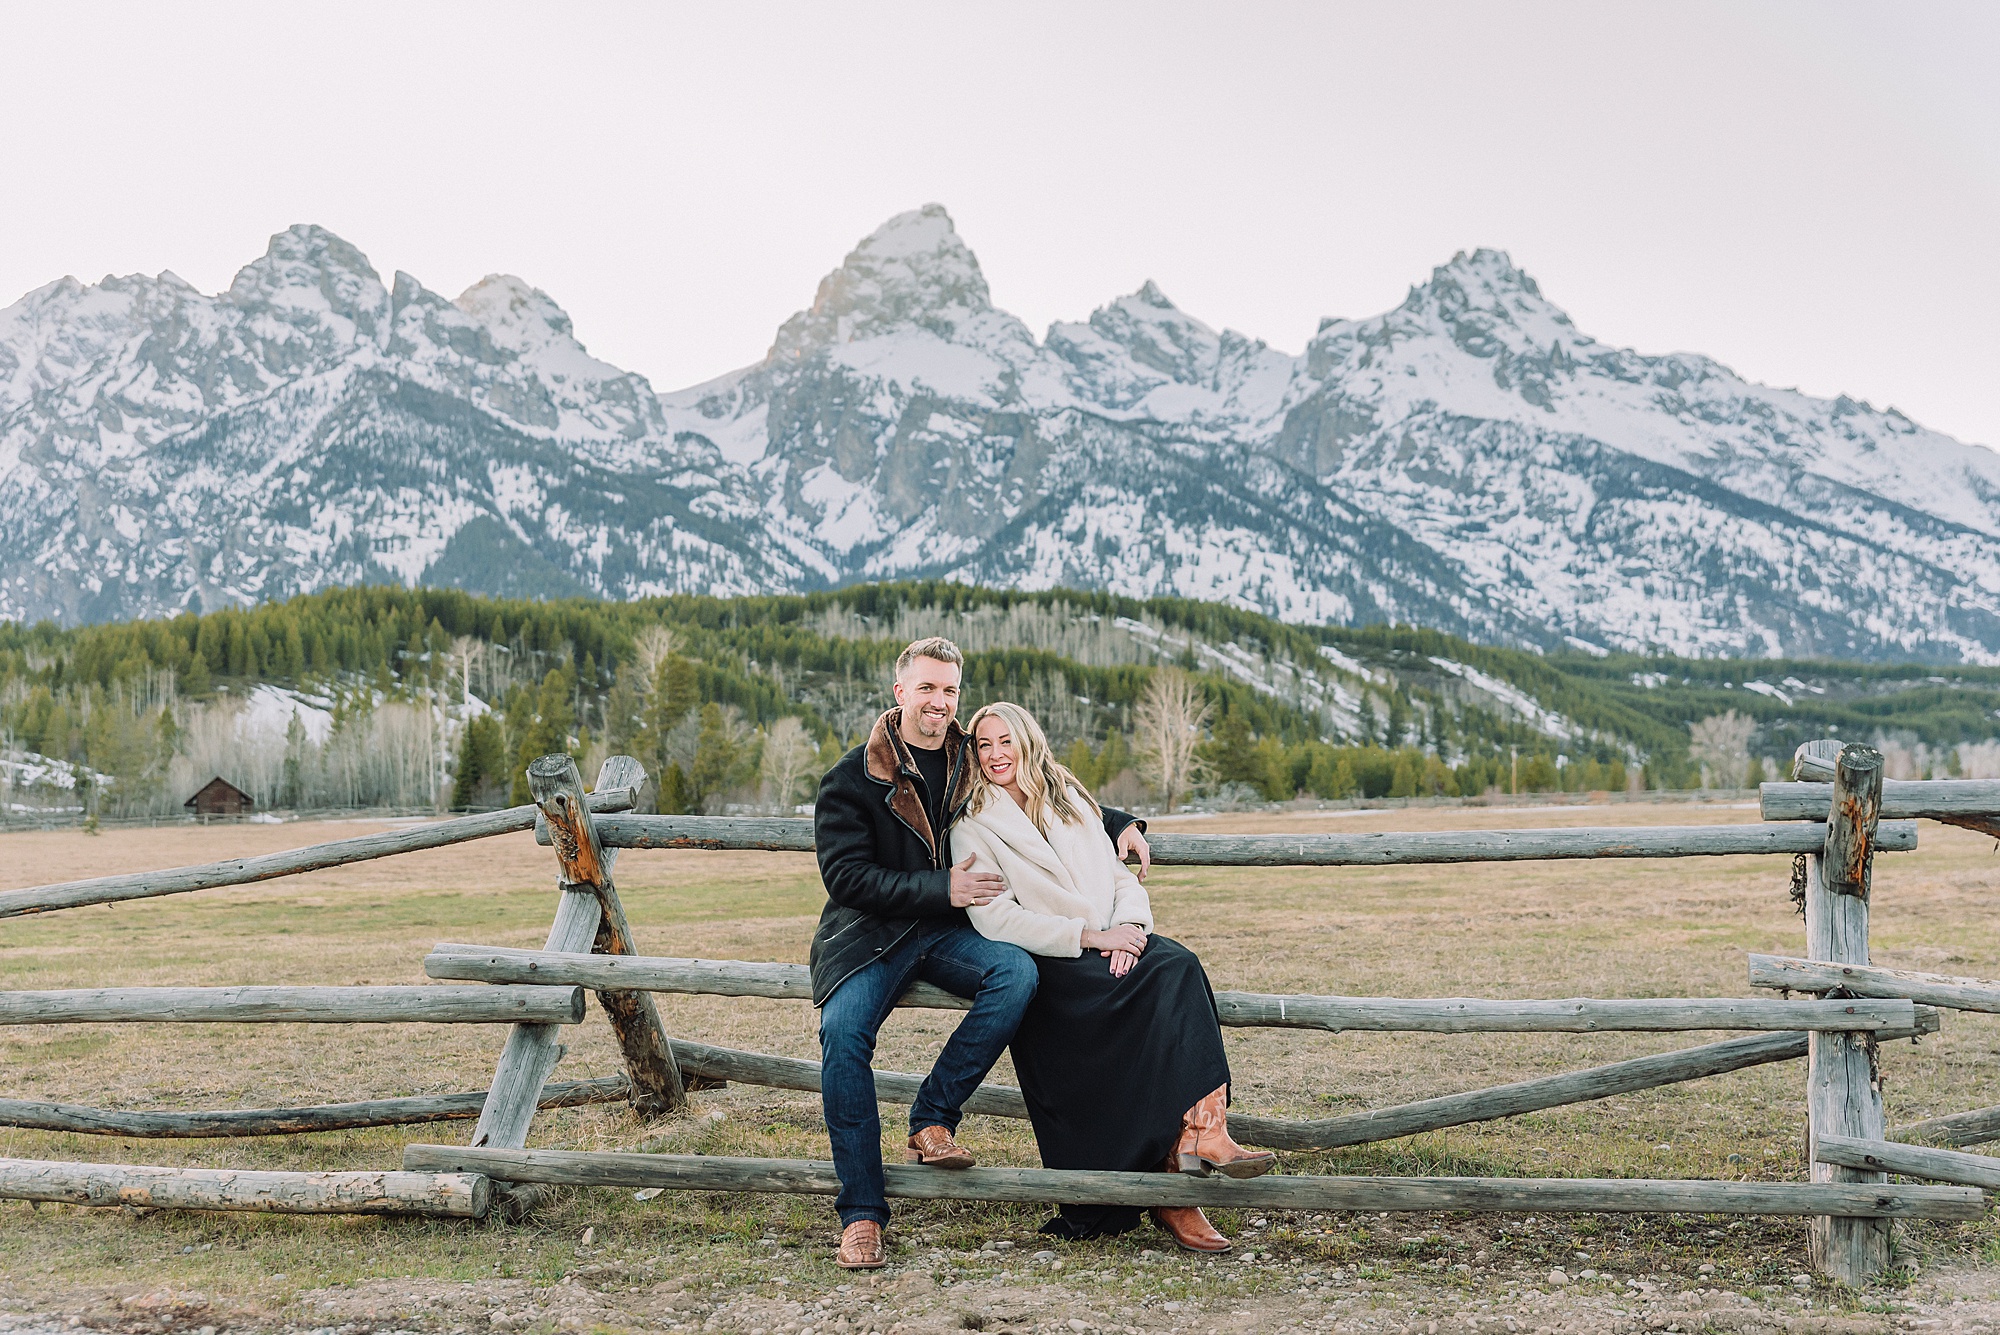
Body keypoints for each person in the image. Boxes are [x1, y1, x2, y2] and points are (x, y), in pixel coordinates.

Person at [811, 637, 1154, 1270]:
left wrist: (1117, 821)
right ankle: (861, 1213)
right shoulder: (853, 777)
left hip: (947, 931)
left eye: (948, 691)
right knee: (843, 1034)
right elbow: (847, 879)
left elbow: (1032, 779)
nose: (938, 703)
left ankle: (932, 1117)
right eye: (926, 689)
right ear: (899, 693)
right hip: (871, 935)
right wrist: (942, 886)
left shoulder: (970, 754)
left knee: (1016, 973)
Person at [948, 700, 1275, 1253]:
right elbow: (995, 917)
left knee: (1176, 964)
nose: (996, 754)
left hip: (1114, 938)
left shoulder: (1072, 800)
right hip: (1054, 958)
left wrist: (1129, 928)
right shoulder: (973, 822)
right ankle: (1173, 1177)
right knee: (1163, 980)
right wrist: (1091, 938)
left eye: (1006, 741)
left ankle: (1201, 1134)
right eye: (984, 744)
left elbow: (1119, 878)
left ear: (1030, 742)